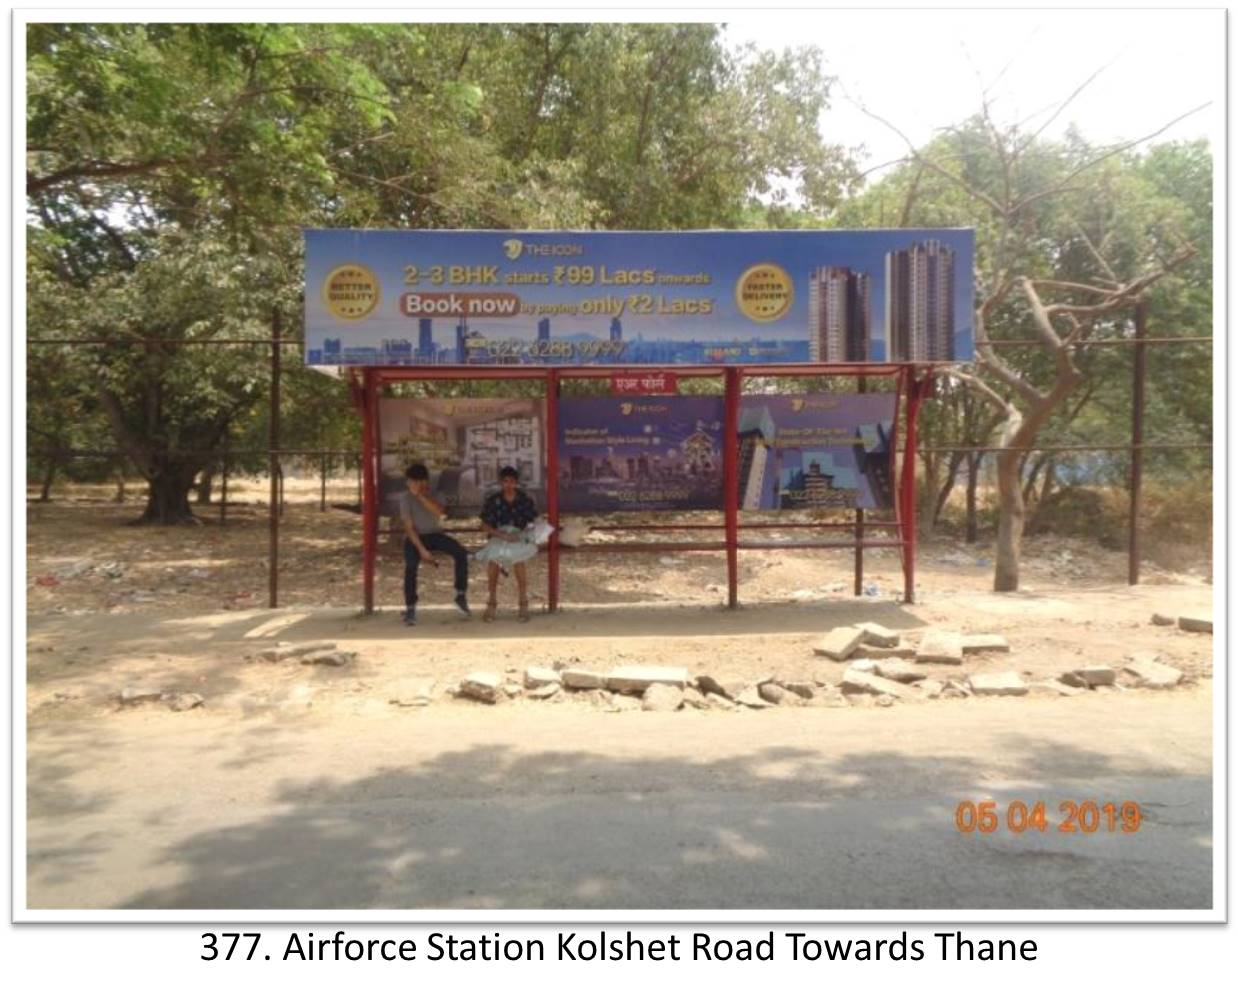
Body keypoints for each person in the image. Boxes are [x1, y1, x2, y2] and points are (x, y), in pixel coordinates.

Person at [398, 463, 471, 626]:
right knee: (410, 566)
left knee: (460, 552)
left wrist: (421, 496)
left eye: (416, 482)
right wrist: (422, 551)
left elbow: (439, 512)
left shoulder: (436, 494)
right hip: (415, 538)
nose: (412, 485)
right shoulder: (404, 498)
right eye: (410, 482)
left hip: (435, 534)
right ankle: (410, 607)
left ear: (425, 482)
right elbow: (409, 528)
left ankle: (460, 595)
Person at [478, 465, 539, 622]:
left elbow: (532, 523)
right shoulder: (494, 500)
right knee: (494, 561)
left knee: (518, 560)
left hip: (519, 536)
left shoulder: (524, 500)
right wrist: (502, 535)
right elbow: (484, 525)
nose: (508, 485)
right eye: (505, 481)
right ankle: (491, 602)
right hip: (500, 536)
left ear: (516, 483)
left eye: (512, 481)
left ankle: (523, 603)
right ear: (501, 483)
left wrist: (521, 534)